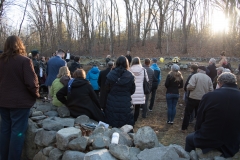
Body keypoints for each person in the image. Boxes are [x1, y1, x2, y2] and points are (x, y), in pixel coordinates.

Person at [0, 35, 39, 160]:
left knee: (5, 131)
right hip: (19, 103)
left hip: (3, 101)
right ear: (20, 45)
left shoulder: (1, 61)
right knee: (17, 133)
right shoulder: (24, 61)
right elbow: (31, 83)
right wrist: (36, 94)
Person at [185, 72, 240, 158]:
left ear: (219, 83)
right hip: (232, 141)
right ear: (235, 83)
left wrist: (198, 132)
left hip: (209, 137)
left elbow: (200, 119)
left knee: (189, 139)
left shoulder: (209, 96)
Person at [105, 56, 135, 127]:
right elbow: (132, 90)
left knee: (112, 125)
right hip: (125, 102)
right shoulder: (130, 76)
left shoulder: (110, 74)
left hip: (112, 102)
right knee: (125, 126)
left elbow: (106, 88)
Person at [181, 66, 213, 131]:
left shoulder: (195, 76)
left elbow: (190, 86)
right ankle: (198, 128)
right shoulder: (208, 78)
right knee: (199, 114)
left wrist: (190, 89)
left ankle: (184, 127)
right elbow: (211, 90)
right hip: (203, 99)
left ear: (199, 69)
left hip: (193, 97)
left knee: (188, 113)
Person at [130, 57, 149, 122]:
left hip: (131, 91)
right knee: (137, 108)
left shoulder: (130, 69)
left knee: (130, 107)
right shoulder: (143, 70)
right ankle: (135, 120)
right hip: (140, 91)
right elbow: (147, 80)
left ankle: (130, 119)